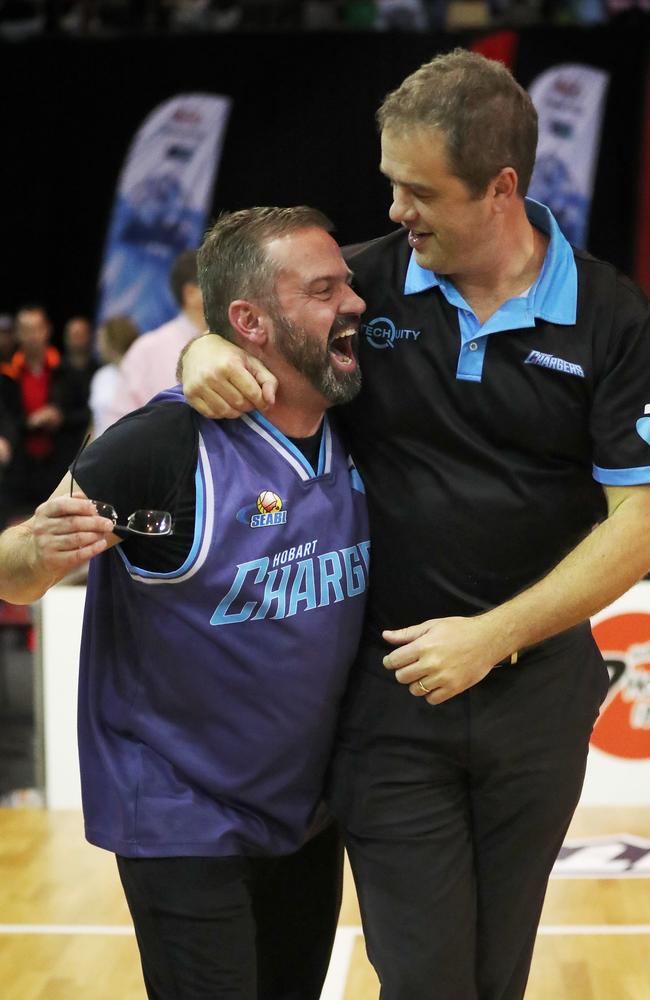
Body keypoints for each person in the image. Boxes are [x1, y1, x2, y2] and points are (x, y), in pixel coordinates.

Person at [177, 50, 650, 1000]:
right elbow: (247, 332)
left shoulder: (610, 315)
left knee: (494, 975)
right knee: (427, 976)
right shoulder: (361, 289)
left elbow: (640, 517)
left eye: (418, 190)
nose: (395, 210)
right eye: (391, 183)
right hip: (386, 701)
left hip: (540, 695)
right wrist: (199, 352)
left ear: (501, 188)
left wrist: (495, 637)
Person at [0, 206, 369, 1000]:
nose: (355, 302)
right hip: (180, 813)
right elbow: (13, 570)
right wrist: (36, 550)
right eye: (324, 288)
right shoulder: (158, 446)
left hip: (304, 807)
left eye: (348, 282)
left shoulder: (361, 427)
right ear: (251, 321)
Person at [0, 305, 90, 528]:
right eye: (26, 330)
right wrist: (28, 423)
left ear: (47, 330)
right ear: (18, 333)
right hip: (18, 470)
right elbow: (6, 418)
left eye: (36, 329)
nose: (32, 336)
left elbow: (84, 413)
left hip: (59, 467)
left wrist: (61, 417)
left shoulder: (67, 370)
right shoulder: (7, 374)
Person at [104, 249, 204, 427]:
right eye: (220, 284)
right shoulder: (148, 350)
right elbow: (118, 427)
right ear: (190, 293)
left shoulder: (239, 344)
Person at [88, 316, 140, 436]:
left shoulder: (140, 373)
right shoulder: (101, 376)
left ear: (114, 339)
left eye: (100, 339)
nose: (98, 347)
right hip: (101, 450)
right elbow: (95, 422)